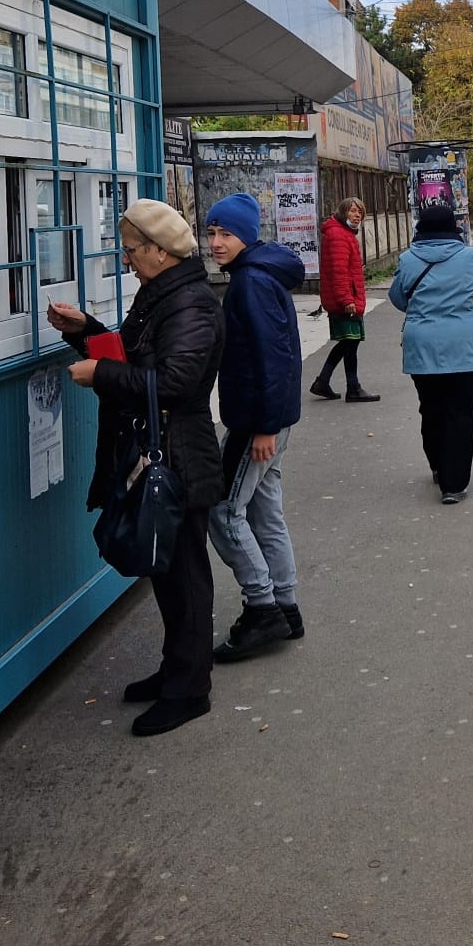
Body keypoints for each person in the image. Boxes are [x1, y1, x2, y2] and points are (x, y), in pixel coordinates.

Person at [47, 200, 224, 736]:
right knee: (166, 572)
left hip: (180, 455)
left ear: (159, 251)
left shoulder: (190, 303)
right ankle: (177, 670)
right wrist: (88, 332)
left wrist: (99, 373)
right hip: (163, 450)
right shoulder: (163, 294)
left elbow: (174, 382)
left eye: (130, 249)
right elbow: (135, 354)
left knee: (184, 574)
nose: (125, 260)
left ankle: (190, 689)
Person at [199, 192, 307, 664]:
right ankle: (285, 605)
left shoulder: (250, 284)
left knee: (221, 511)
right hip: (269, 417)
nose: (216, 242)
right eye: (211, 232)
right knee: (264, 512)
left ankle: (262, 606)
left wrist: (263, 427)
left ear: (246, 235)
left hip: (257, 421)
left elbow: (272, 359)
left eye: (226, 234)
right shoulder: (258, 274)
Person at [389, 204, 473, 502]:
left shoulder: (407, 259)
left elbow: (399, 299)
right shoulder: (469, 257)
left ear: (420, 229)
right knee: (462, 412)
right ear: (454, 228)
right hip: (465, 345)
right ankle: (454, 484)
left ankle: (438, 464)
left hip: (422, 344)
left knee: (431, 408)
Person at [310, 197, 379, 403]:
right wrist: (346, 299)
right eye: (353, 211)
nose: (357, 215)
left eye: (360, 212)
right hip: (345, 300)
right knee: (350, 342)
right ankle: (350, 387)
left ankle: (328, 382)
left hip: (349, 297)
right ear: (342, 213)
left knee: (349, 343)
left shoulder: (343, 234)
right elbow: (339, 272)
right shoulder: (338, 235)